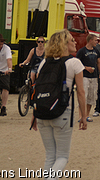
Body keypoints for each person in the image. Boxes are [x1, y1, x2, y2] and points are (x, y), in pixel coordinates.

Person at [30, 29, 87, 174]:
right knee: (62, 157)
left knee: (50, 155)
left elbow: (38, 89)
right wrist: (84, 116)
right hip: (63, 112)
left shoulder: (44, 62)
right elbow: (80, 92)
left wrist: (34, 113)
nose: (75, 43)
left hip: (42, 112)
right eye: (72, 40)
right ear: (64, 44)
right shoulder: (75, 63)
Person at [75, 34, 100, 122]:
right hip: (84, 76)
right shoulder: (82, 51)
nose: (96, 42)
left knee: (91, 96)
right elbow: (77, 63)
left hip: (94, 76)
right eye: (95, 40)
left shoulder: (96, 50)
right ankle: (80, 116)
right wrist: (86, 68)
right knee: (83, 95)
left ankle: (87, 115)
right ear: (90, 40)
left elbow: (99, 62)